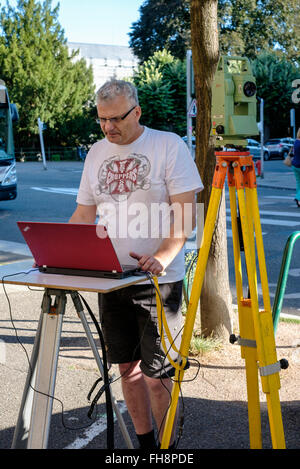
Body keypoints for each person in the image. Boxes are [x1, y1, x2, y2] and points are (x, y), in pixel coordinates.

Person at [69, 79, 203, 449]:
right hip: (111, 280)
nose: (109, 127)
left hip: (159, 282)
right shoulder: (96, 153)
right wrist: (56, 252)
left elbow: (185, 214)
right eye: (101, 120)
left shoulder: (167, 145)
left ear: (137, 111)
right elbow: (83, 213)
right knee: (127, 370)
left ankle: (168, 450)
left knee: (158, 376)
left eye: (116, 119)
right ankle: (145, 446)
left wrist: (161, 257)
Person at [291, 128, 300, 208]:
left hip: (294, 165)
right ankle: (298, 198)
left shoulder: (296, 142)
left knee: (298, 184)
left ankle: (299, 202)